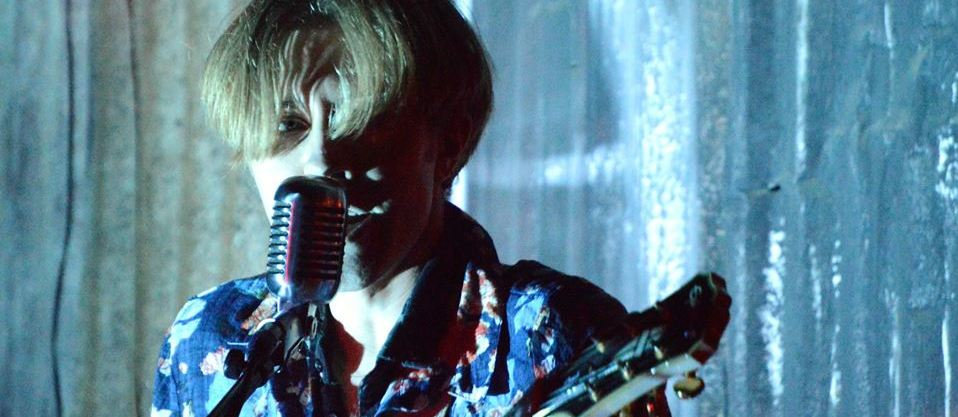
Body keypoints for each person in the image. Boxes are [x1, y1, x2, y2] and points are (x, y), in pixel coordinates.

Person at [151, 1, 628, 416]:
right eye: (289, 124)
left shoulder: (556, 332)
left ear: (448, 142)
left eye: (360, 119)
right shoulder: (207, 338)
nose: (321, 161)